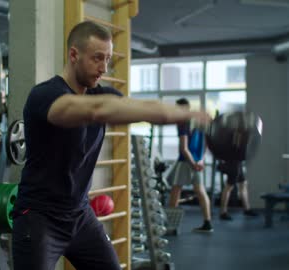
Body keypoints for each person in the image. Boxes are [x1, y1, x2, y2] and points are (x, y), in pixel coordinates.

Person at [12, 21, 210, 270]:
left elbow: (144, 108)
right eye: (97, 58)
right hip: (40, 218)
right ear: (74, 54)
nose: (104, 68)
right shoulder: (45, 96)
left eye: (107, 59)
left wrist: (187, 113)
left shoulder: (98, 94)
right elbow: (95, 111)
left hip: (80, 216)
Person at [166, 98, 213, 233]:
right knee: (200, 192)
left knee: (175, 191)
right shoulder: (198, 122)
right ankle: (207, 223)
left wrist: (192, 163)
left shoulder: (183, 123)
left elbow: (184, 148)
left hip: (186, 161)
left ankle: (171, 226)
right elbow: (205, 145)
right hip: (197, 162)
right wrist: (200, 161)